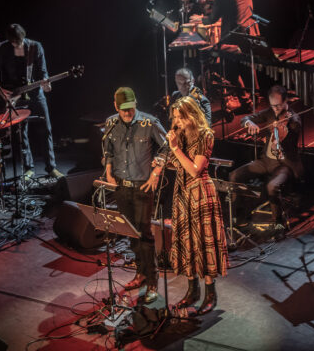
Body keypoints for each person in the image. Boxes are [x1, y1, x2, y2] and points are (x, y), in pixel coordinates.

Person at [102, 87, 167, 304]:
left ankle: (152, 280)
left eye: (130, 109)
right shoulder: (111, 123)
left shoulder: (149, 123)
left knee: (145, 234)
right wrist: (109, 171)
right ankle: (140, 272)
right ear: (115, 106)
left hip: (142, 186)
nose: (128, 113)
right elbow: (108, 149)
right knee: (131, 233)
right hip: (121, 186)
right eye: (123, 110)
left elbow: (167, 147)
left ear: (136, 103)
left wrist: (156, 172)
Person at [166, 96, 227, 314]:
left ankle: (211, 294)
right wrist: (169, 152)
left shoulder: (205, 135)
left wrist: (175, 150)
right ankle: (192, 291)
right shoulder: (180, 135)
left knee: (203, 241)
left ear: (190, 115)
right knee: (186, 241)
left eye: (178, 118)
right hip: (182, 193)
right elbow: (175, 163)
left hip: (200, 192)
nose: (176, 122)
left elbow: (194, 169)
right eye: (174, 118)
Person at [229, 85, 302, 232]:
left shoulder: (294, 121)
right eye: (272, 105)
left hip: (284, 164)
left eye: (279, 105)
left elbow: (288, 143)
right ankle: (241, 215)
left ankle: (278, 222)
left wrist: (279, 137)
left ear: (286, 101)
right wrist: (249, 123)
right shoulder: (270, 113)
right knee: (234, 175)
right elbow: (246, 118)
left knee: (272, 186)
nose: (275, 109)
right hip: (265, 161)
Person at [0, 23, 62, 179]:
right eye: (14, 43)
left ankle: (51, 167)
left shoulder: (35, 47)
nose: (17, 45)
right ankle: (28, 168)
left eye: (19, 42)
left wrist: (46, 84)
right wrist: (0, 90)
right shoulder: (3, 48)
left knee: (46, 128)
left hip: (36, 94)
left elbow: (43, 73)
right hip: (15, 96)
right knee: (20, 134)